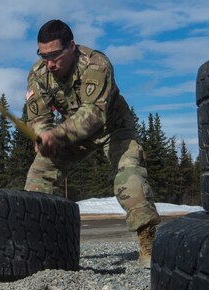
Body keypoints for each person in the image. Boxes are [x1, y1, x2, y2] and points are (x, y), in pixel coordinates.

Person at [24, 19, 160, 268]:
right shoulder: (39, 73)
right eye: (43, 56)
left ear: (72, 47)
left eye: (55, 55)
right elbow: (39, 116)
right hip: (73, 134)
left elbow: (94, 115)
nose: (49, 63)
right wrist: (42, 135)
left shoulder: (96, 64)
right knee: (40, 174)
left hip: (114, 129)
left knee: (129, 178)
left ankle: (148, 245)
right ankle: (40, 245)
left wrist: (56, 135)